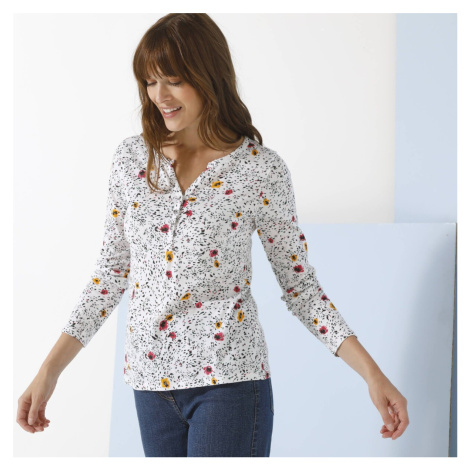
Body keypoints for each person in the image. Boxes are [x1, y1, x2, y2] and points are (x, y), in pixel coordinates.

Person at [16, 13, 409, 457]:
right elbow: (109, 275)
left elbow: (300, 287)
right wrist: (49, 371)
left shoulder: (260, 169)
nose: (159, 96)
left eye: (174, 80)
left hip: (229, 382)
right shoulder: (131, 160)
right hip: (149, 382)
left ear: (209, 76)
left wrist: (373, 375)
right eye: (149, 82)